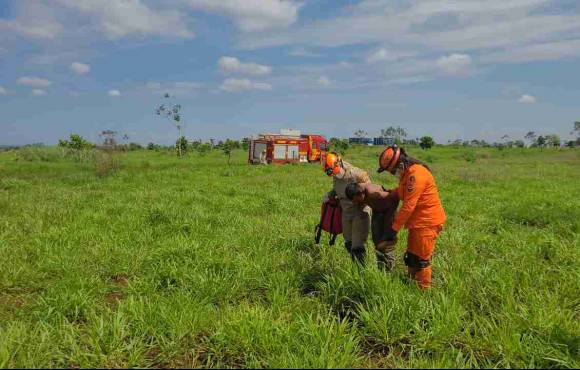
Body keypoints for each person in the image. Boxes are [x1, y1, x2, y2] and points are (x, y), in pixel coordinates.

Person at [377, 145, 446, 289]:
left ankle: (423, 292)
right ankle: (411, 285)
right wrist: (391, 192)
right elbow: (403, 191)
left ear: (400, 164)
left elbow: (408, 205)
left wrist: (393, 230)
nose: (393, 174)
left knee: (421, 260)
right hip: (417, 223)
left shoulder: (416, 175)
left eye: (392, 171)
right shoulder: (406, 174)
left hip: (427, 223)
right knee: (411, 256)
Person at [322, 152, 371, 264]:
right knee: (348, 242)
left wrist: (362, 202)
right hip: (346, 211)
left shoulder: (357, 174)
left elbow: (369, 189)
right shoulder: (335, 176)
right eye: (333, 174)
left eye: (336, 172)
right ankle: (354, 265)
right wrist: (329, 194)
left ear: (339, 163)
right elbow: (338, 189)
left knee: (357, 245)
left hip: (360, 211)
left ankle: (361, 272)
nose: (336, 175)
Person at [345, 182, 399, 271]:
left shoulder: (373, 194)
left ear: (361, 194)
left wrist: (388, 225)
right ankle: (382, 268)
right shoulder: (358, 190)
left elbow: (394, 199)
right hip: (378, 212)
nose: (355, 202)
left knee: (385, 241)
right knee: (377, 242)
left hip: (389, 214)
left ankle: (389, 270)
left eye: (356, 200)